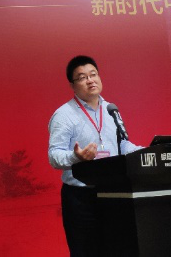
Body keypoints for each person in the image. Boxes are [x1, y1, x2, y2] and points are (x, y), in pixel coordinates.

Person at [48, 55, 142, 257]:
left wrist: (144, 151)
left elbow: (122, 145)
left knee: (117, 249)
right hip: (80, 198)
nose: (90, 80)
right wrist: (76, 157)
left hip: (113, 193)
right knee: (86, 251)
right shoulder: (63, 115)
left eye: (93, 74)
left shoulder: (111, 110)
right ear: (73, 85)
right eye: (82, 77)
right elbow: (54, 155)